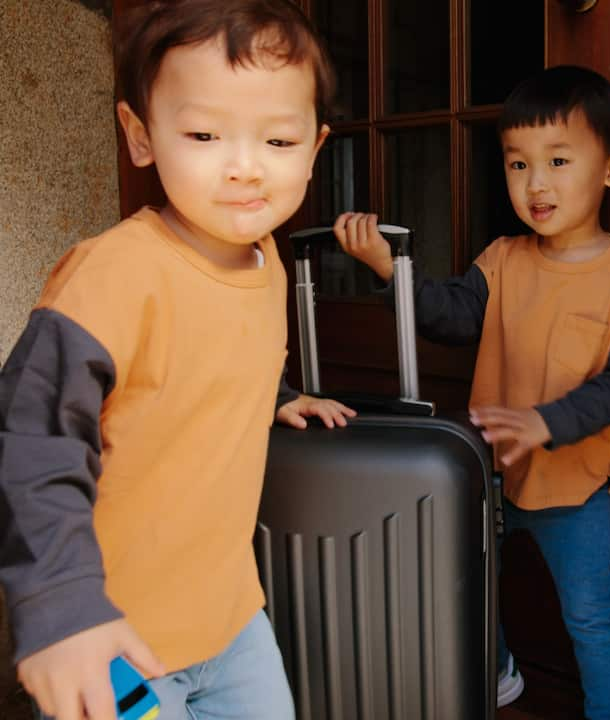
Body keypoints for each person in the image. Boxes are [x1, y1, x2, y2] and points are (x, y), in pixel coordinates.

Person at [0, 1, 355, 719]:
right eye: (202, 133)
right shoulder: (112, 276)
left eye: (279, 142)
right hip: (114, 639)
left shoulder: (267, 257)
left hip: (231, 620)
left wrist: (274, 390)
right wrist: (58, 608)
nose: (245, 168)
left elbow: (217, 346)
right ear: (140, 135)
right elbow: (27, 438)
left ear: (315, 149)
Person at [333, 65, 610, 720]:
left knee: (594, 616)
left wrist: (550, 421)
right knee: (463, 583)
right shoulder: (503, 260)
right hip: (490, 480)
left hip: (577, 489)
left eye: (558, 160)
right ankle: (502, 670)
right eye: (517, 165)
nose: (535, 183)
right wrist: (386, 269)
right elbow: (449, 317)